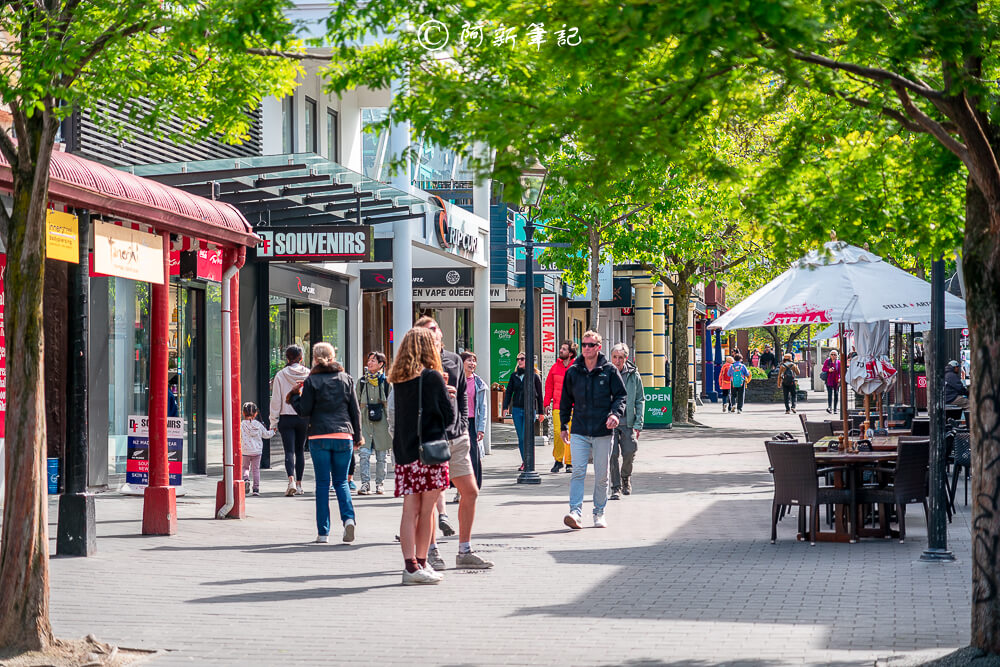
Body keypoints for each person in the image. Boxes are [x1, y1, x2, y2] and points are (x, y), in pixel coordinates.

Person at [415, 316, 494, 571]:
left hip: (457, 437)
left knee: (470, 491)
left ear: (440, 333)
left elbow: (461, 395)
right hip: (430, 438)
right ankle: (432, 551)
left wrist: (462, 427)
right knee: (432, 497)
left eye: (434, 329)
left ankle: (465, 549)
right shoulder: (416, 363)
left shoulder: (454, 360)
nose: (432, 333)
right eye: (426, 331)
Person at [388, 327, 452, 584]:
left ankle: (410, 565)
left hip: (405, 452)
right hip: (430, 452)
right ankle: (421, 563)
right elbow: (449, 417)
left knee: (409, 510)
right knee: (427, 512)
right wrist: (447, 393)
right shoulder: (433, 378)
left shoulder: (398, 380)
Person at [288, 342, 362, 544]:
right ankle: (348, 519)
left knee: (322, 484)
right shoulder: (346, 379)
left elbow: (304, 411)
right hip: (343, 436)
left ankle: (323, 532)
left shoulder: (312, 381)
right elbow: (355, 411)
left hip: (319, 436)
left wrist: (294, 396)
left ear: (314, 358)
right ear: (332, 356)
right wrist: (358, 437)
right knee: (341, 482)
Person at [559, 330, 627, 529]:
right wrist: (564, 425)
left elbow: (621, 396)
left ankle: (599, 512)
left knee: (601, 474)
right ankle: (575, 512)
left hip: (602, 430)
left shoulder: (609, 370)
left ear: (598, 347)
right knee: (578, 471)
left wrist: (615, 414)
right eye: (584, 345)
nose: (587, 348)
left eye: (591, 345)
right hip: (579, 429)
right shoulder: (573, 371)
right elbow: (565, 400)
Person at [269, 345, 311, 496]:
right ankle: (299, 485)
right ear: (301, 358)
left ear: (287, 358)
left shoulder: (281, 375)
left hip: (285, 417)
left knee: (289, 451)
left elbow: (276, 400)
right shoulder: (308, 374)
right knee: (300, 451)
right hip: (303, 417)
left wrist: (273, 421)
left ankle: (291, 480)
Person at [608, 344, 645, 500]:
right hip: (609, 421)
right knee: (612, 455)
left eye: (620, 358)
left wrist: (638, 424)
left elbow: (640, 399)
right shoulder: (606, 372)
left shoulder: (633, 375)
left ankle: (625, 477)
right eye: (615, 357)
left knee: (630, 451)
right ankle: (615, 487)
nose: (617, 361)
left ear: (626, 358)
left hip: (628, 421)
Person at [356, 351, 392, 496]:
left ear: (381, 364)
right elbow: (356, 402)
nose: (369, 363)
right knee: (363, 454)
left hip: (382, 424)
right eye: (369, 360)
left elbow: (391, 404)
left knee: (381, 456)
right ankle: (365, 484)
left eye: (373, 361)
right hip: (365, 423)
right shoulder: (362, 382)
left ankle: (379, 484)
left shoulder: (387, 383)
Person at [503, 352, 544, 470]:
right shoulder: (514, 376)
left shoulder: (534, 376)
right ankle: (525, 461)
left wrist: (541, 412)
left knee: (527, 436)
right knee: (521, 437)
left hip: (529, 410)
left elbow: (539, 395)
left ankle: (529, 461)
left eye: (522, 359)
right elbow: (509, 392)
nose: (519, 361)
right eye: (518, 359)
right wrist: (505, 407)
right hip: (516, 410)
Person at [543, 340, 577, 473]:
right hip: (558, 406)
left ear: (570, 353)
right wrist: (546, 403)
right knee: (558, 433)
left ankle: (569, 462)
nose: (561, 351)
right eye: (561, 348)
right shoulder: (555, 367)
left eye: (564, 349)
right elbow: (549, 385)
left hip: (574, 407)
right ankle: (558, 460)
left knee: (571, 434)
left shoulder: (576, 367)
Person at [461, 351, 488, 490]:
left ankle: (473, 486)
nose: (472, 363)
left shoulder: (479, 383)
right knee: (458, 456)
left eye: (474, 361)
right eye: (469, 360)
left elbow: (483, 407)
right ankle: (460, 488)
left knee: (473, 454)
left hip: (472, 422)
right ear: (462, 363)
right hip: (458, 422)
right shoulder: (455, 380)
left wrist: (481, 428)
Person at [240, 402, 275, 497]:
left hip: (245, 451)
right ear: (255, 414)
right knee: (256, 470)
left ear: (243, 413)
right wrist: (273, 431)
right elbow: (266, 435)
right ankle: (256, 489)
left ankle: (246, 479)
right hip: (257, 451)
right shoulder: (259, 425)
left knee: (245, 467)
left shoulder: (242, 424)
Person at [822, 350, 842, 414]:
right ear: (830, 355)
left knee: (836, 394)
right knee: (829, 394)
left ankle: (835, 409)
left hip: (836, 380)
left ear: (837, 356)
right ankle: (829, 407)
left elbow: (840, 371)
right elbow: (823, 369)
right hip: (829, 380)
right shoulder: (827, 361)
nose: (833, 356)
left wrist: (840, 378)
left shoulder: (838, 362)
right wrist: (828, 370)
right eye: (832, 354)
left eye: (835, 355)